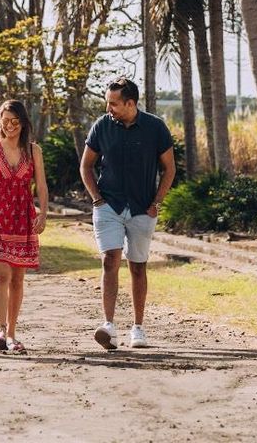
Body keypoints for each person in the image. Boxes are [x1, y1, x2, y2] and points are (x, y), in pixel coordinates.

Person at [80, 77, 176, 350]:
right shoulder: (102, 126)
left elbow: (169, 168)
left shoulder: (155, 127)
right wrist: (97, 199)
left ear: (130, 103)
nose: (108, 108)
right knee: (110, 260)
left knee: (137, 266)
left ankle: (138, 328)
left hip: (142, 208)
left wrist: (157, 202)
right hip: (108, 206)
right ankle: (108, 326)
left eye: (113, 103)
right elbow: (86, 166)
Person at [0, 99, 49, 354]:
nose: (10, 126)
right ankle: (1, 328)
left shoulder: (33, 151)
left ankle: (12, 334)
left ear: (23, 123)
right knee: (1, 275)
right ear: (0, 121)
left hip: (22, 219)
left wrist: (43, 214)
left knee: (17, 278)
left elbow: (41, 186)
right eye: (5, 121)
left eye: (15, 121)